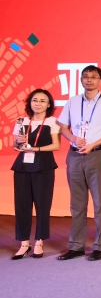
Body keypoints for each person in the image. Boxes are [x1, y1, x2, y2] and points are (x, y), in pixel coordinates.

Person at [57, 65, 101, 261]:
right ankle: (76, 246)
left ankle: (100, 247)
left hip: (98, 155)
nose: (89, 80)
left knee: (100, 203)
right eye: (85, 77)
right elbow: (63, 127)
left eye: (93, 77)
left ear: (100, 80)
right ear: (81, 80)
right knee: (77, 204)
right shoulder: (73, 101)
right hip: (75, 156)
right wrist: (73, 139)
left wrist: (93, 144)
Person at [10, 90, 60, 260]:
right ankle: (24, 243)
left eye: (42, 101)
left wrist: (35, 148)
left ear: (48, 104)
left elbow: (56, 146)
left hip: (43, 167)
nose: (38, 104)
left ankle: (39, 241)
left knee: (42, 204)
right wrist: (18, 144)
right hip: (22, 167)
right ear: (29, 103)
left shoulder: (53, 122)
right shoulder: (21, 121)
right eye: (35, 100)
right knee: (22, 205)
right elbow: (16, 146)